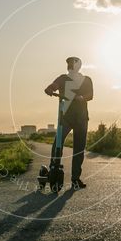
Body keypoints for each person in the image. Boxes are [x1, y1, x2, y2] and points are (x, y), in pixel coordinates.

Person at [44, 56, 93, 189]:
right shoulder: (63, 78)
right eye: (68, 64)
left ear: (78, 65)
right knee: (57, 144)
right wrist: (50, 88)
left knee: (79, 149)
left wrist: (81, 97)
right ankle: (54, 170)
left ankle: (75, 179)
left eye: (71, 63)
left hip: (81, 118)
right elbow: (55, 85)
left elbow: (90, 95)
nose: (69, 65)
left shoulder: (87, 80)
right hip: (65, 117)